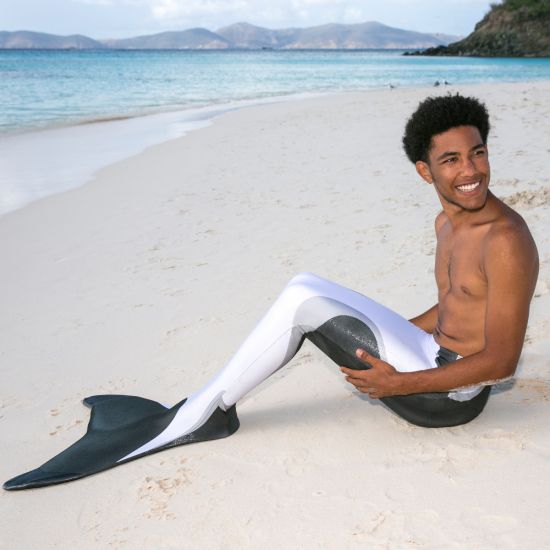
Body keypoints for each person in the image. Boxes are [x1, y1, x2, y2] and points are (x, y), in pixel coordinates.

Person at [3, 93, 540, 490]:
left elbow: (501, 360)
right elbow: (453, 305)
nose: (470, 171)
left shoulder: (507, 240)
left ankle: (198, 419)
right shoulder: (447, 225)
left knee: (304, 305)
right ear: (425, 173)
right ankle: (206, 407)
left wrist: (398, 382)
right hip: (431, 360)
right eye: (451, 160)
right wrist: (393, 331)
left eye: (477, 153)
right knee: (304, 286)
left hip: (450, 398)